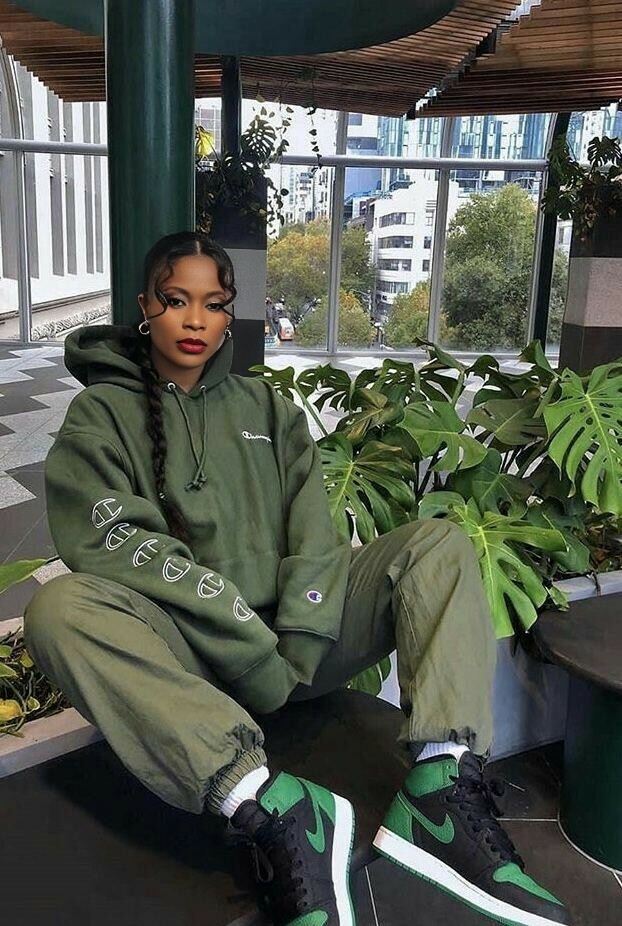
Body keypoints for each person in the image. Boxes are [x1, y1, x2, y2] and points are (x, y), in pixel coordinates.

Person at [23, 231, 569, 926]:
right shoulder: (99, 416)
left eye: (213, 304)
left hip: (296, 655)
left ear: (230, 312)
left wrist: (301, 635)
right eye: (176, 300)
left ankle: (440, 789)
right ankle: (273, 808)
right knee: (60, 610)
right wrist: (249, 645)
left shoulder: (268, 409)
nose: (195, 321)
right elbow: (113, 542)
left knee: (438, 544)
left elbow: (316, 534)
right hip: (193, 668)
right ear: (144, 306)